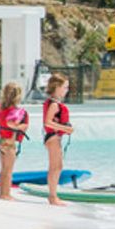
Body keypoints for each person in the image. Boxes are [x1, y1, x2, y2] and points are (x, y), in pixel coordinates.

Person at [0, 82, 29, 201]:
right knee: (8, 170)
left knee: (3, 169)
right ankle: (5, 194)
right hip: (10, 143)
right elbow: (13, 124)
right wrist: (21, 127)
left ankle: (3, 192)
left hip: (1, 141)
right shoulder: (18, 111)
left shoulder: (0, 108)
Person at [40, 74, 75, 206]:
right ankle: (53, 196)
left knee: (57, 166)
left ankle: (53, 195)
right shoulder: (54, 105)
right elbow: (47, 123)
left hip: (54, 137)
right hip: (53, 138)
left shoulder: (55, 103)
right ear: (57, 87)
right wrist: (64, 129)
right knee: (55, 167)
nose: (67, 90)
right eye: (65, 87)